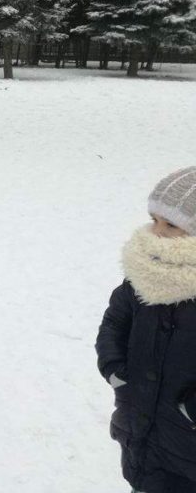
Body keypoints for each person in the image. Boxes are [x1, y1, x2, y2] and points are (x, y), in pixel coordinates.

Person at [97, 167, 196, 493]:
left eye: (171, 225)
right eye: (155, 220)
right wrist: (115, 370)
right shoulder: (144, 271)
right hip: (141, 432)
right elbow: (115, 322)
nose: (158, 232)